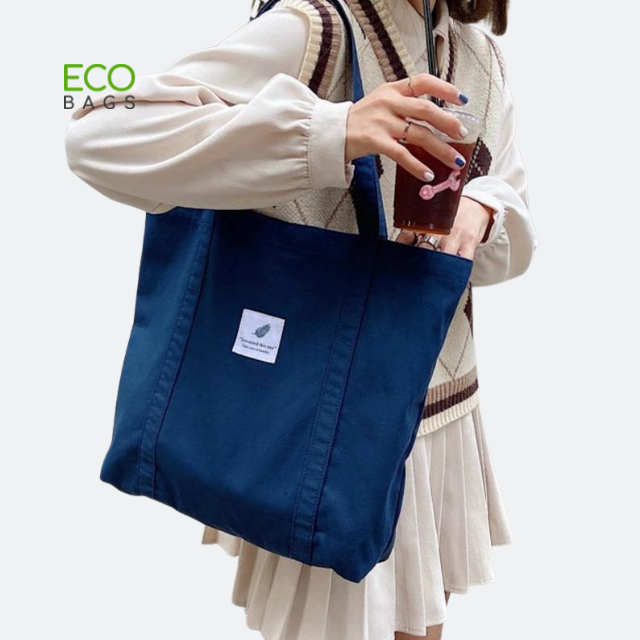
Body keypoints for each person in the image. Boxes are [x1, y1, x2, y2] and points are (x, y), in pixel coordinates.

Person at [66, 0, 537, 638]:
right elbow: (97, 133)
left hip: (443, 416)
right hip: (329, 418)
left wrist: (484, 206)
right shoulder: (314, 29)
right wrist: (333, 131)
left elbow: (509, 234)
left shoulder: (479, 57)